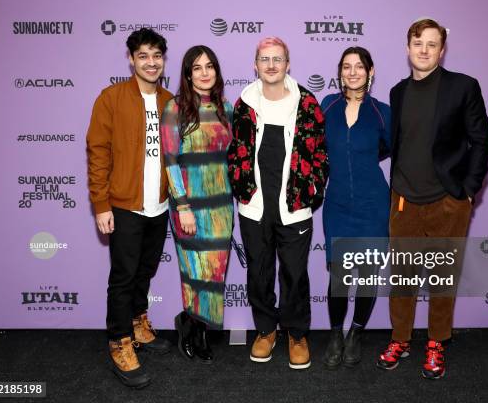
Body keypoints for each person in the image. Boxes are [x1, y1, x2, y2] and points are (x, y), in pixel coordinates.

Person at [376, 19, 488, 379]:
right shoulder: (397, 92)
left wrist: (467, 191)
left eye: (431, 44)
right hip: (404, 200)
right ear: (408, 47)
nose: (423, 50)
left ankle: (437, 342)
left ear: (441, 50)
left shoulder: (463, 87)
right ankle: (400, 339)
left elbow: (481, 141)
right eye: (417, 43)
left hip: (447, 201)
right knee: (403, 279)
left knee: (442, 279)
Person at [227, 36, 328, 370]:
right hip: (254, 206)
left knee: (295, 275)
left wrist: (310, 190)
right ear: (255, 64)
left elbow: (319, 154)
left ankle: (296, 334)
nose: (271, 65)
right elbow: (235, 152)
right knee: (258, 272)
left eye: (278, 59)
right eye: (264, 59)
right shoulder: (243, 103)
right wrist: (242, 188)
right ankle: (266, 330)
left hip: (295, 206)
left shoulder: (307, 103)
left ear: (288, 64)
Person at [86, 28, 173, 389]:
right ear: (131, 59)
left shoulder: (171, 100)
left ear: (163, 60)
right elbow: (98, 152)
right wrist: (101, 204)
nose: (151, 62)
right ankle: (120, 341)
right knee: (122, 277)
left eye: (156, 56)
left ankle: (139, 322)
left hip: (160, 205)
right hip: (123, 205)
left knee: (145, 270)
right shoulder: (111, 98)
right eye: (143, 56)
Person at [160, 45, 233, 364]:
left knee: (215, 273)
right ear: (188, 75)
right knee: (194, 273)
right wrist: (183, 206)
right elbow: (171, 161)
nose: (205, 73)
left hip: (221, 207)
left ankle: (196, 326)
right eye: (197, 68)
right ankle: (192, 327)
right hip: (189, 207)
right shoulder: (175, 109)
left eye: (210, 66)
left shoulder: (226, 108)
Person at [320, 47, 391, 369]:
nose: (352, 72)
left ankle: (356, 334)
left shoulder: (383, 112)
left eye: (359, 66)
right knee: (340, 275)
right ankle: (335, 334)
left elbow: (389, 149)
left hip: (373, 204)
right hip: (337, 205)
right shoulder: (327, 106)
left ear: (370, 71)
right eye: (346, 66)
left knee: (367, 275)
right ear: (340, 72)